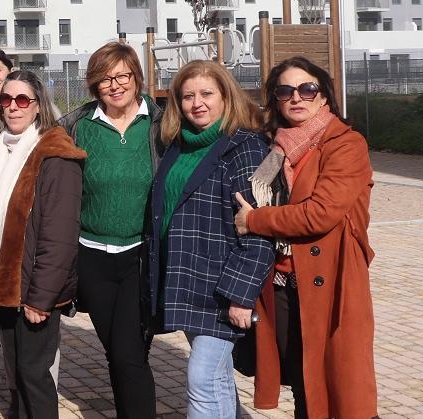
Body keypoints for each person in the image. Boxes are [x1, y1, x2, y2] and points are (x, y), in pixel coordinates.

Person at [233, 57, 377, 419]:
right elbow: (254, 190)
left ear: (324, 94)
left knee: (345, 388)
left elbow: (319, 213)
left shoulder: (346, 144)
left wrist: (255, 221)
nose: (297, 97)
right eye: (285, 90)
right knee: (303, 381)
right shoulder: (273, 149)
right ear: (276, 99)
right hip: (281, 283)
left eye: (307, 88)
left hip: (333, 282)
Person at [146, 61, 274, 419]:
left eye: (206, 94)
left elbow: (259, 230)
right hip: (186, 282)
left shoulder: (245, 147)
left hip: (221, 287)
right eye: (187, 96)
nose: (197, 103)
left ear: (226, 96)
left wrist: (240, 296)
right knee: (216, 379)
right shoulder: (179, 145)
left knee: (202, 378)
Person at [0, 69, 84, 419]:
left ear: (37, 106)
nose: (13, 107)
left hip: (33, 287)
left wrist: (41, 297)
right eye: (6, 100)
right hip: (2, 282)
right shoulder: (1, 147)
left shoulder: (55, 154)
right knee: (17, 375)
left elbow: (60, 235)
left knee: (34, 375)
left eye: (22, 100)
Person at [60, 42, 162, 419]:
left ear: (136, 77)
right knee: (118, 352)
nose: (115, 85)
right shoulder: (77, 126)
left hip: (141, 255)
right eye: (104, 79)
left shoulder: (161, 122)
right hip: (93, 256)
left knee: (129, 352)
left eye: (122, 75)